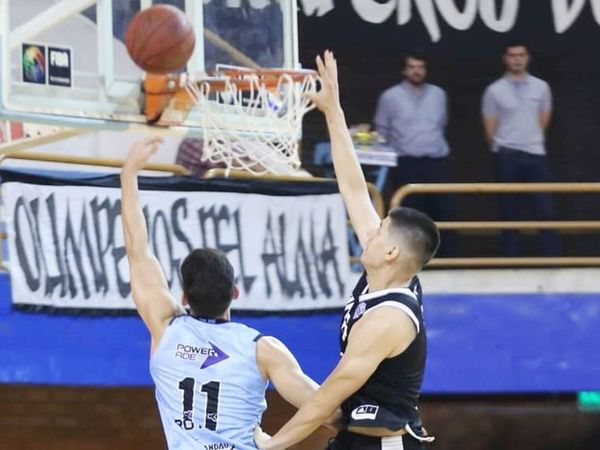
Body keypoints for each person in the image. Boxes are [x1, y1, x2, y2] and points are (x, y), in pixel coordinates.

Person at [256, 51, 439, 450]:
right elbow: (354, 188)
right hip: (353, 438)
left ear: (391, 253)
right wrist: (333, 111)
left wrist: (274, 444)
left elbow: (329, 396)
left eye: (379, 233)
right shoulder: (387, 272)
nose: (368, 233)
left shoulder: (388, 318)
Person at [120, 137, 334, 450]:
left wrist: (129, 173)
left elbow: (136, 248)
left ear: (183, 298)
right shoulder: (263, 349)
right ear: (235, 292)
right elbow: (325, 409)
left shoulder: (165, 328)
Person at [373, 50, 458, 256]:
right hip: (407, 162)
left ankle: (450, 260)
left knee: (445, 212)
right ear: (404, 70)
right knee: (411, 217)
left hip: (437, 161)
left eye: (420, 67)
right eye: (412, 67)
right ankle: (413, 260)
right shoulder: (390, 96)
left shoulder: (439, 94)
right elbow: (382, 130)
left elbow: (442, 123)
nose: (416, 71)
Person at [482, 40, 561, 256]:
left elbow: (544, 120)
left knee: (545, 209)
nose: (517, 59)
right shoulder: (494, 90)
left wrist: (529, 140)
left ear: (527, 58)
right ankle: (511, 260)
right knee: (509, 210)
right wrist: (507, 144)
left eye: (521, 55)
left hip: (535, 153)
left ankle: (552, 260)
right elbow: (490, 127)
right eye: (512, 55)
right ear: (505, 58)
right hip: (506, 154)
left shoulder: (541, 87)